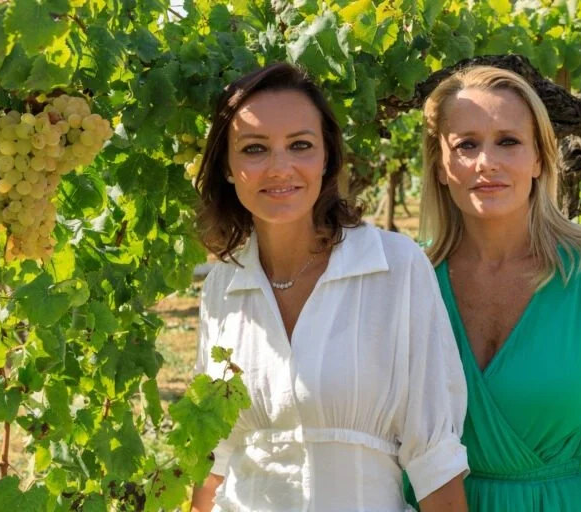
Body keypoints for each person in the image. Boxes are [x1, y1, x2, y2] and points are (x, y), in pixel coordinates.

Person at [190, 62, 469, 512]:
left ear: (327, 158)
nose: (280, 168)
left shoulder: (395, 268)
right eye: (255, 149)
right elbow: (220, 454)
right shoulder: (222, 286)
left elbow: (434, 456)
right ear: (227, 166)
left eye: (300, 145)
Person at [404, 65, 581, 511]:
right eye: (466, 145)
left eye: (509, 141)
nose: (488, 162)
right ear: (441, 167)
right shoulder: (407, 281)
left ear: (540, 158)